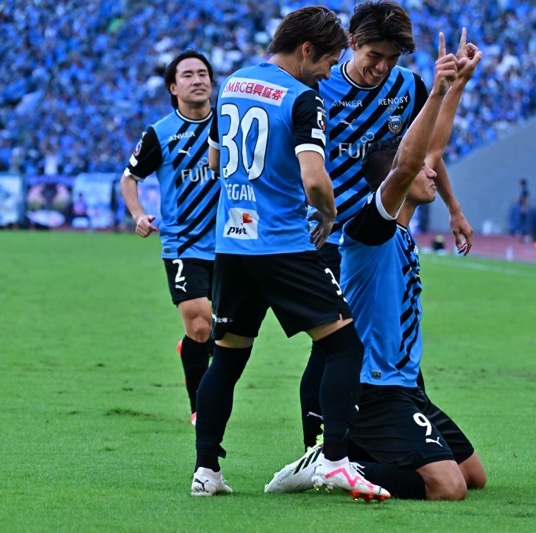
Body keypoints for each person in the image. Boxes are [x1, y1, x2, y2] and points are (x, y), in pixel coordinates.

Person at [266, 30, 486, 501]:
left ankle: (341, 455)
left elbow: (430, 151)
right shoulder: (370, 230)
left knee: (475, 477)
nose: (432, 171)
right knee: (447, 489)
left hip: (405, 386)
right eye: (419, 171)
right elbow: (410, 162)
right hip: (376, 388)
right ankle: (329, 460)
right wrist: (440, 89)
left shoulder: (402, 228)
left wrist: (457, 86)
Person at [191, 6, 387, 502]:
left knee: (228, 359)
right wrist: (326, 214)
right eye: (328, 60)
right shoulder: (303, 98)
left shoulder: (232, 83)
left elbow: (214, 160)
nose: (327, 71)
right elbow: (315, 178)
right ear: (306, 50)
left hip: (231, 244)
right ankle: (336, 462)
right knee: (343, 345)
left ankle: (206, 471)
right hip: (281, 242)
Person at [297, 0, 474, 453]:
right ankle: (319, 447)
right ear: (351, 43)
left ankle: (402, 427)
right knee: (335, 342)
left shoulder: (408, 87)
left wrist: (453, 208)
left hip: (387, 223)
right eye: (374, 55)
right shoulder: (318, 87)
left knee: (385, 333)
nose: (382, 67)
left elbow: (425, 152)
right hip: (330, 237)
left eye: (392, 59)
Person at [120, 50, 218, 426]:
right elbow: (130, 178)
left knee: (224, 330)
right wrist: (138, 214)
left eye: (203, 73)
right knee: (200, 324)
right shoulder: (159, 133)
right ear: (174, 87)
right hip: (183, 243)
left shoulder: (228, 126)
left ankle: (191, 349)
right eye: (188, 75)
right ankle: (200, 409)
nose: (198, 79)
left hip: (230, 241)